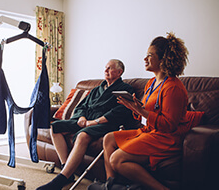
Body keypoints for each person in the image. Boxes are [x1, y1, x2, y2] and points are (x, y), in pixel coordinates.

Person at [88, 32, 189, 190]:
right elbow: (146, 114)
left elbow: (169, 125)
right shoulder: (151, 83)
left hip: (165, 138)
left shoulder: (173, 87)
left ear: (163, 59)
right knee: (108, 138)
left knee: (116, 159)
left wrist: (141, 111)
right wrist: (134, 108)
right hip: (148, 131)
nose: (145, 59)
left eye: (150, 55)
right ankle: (111, 185)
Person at [37, 59, 141, 190]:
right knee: (56, 127)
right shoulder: (97, 89)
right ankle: (65, 167)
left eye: (110, 68)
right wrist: (81, 117)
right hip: (86, 120)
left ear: (119, 72)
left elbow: (119, 112)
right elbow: (82, 106)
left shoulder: (125, 89)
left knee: (83, 136)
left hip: (105, 124)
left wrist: (94, 122)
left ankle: (61, 178)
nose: (106, 70)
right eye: (105, 67)